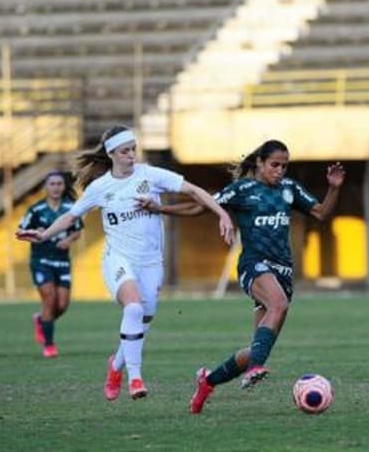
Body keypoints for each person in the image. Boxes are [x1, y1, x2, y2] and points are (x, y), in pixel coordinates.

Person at [17, 125, 234, 400]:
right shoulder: (100, 188)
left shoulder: (151, 175)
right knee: (132, 308)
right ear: (111, 154)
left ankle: (115, 365)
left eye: (133, 149)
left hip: (151, 262)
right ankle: (135, 378)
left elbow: (194, 191)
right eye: (125, 151)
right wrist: (44, 234)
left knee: (142, 321)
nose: (131, 155)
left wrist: (221, 214)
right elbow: (71, 217)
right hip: (118, 259)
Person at [141, 139, 345, 414]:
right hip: (254, 265)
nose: (280, 171)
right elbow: (199, 207)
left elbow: (321, 212)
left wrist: (333, 188)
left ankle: (208, 381)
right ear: (260, 163)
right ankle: (256, 369)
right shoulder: (242, 190)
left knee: (254, 348)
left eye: (284, 166)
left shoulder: (289, 189)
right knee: (278, 305)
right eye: (274, 165)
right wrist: (159, 209)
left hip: (283, 271)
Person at [19, 171, 83, 358]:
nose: (56, 187)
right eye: (52, 184)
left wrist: (68, 240)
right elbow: (21, 231)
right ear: (45, 187)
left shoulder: (71, 208)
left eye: (59, 184)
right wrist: (33, 232)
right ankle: (49, 345)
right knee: (50, 299)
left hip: (62, 261)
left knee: (62, 305)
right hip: (41, 260)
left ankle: (40, 319)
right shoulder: (36, 210)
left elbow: (77, 231)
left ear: (64, 187)